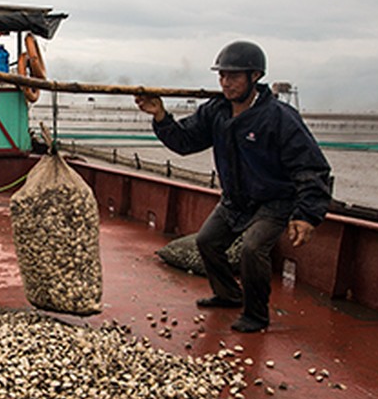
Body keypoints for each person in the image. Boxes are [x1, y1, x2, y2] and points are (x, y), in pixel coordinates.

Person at [134, 41, 332, 333]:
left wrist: (307, 215)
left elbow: (311, 167)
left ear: (255, 77)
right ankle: (228, 295)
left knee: (253, 249)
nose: (226, 83)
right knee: (207, 242)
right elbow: (185, 142)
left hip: (274, 201)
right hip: (236, 200)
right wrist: (161, 117)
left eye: (234, 76)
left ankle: (256, 315)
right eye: (222, 76)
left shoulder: (279, 118)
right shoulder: (217, 111)